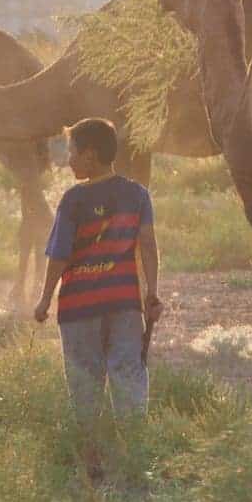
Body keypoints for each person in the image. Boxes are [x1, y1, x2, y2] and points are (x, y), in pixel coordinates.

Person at [33, 117, 163, 480]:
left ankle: (93, 464)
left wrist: (45, 299)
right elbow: (148, 245)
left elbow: (59, 255)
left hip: (79, 309)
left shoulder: (74, 199)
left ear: (89, 156)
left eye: (72, 151)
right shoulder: (137, 195)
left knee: (85, 380)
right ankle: (135, 458)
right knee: (128, 374)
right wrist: (151, 292)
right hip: (124, 305)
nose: (69, 159)